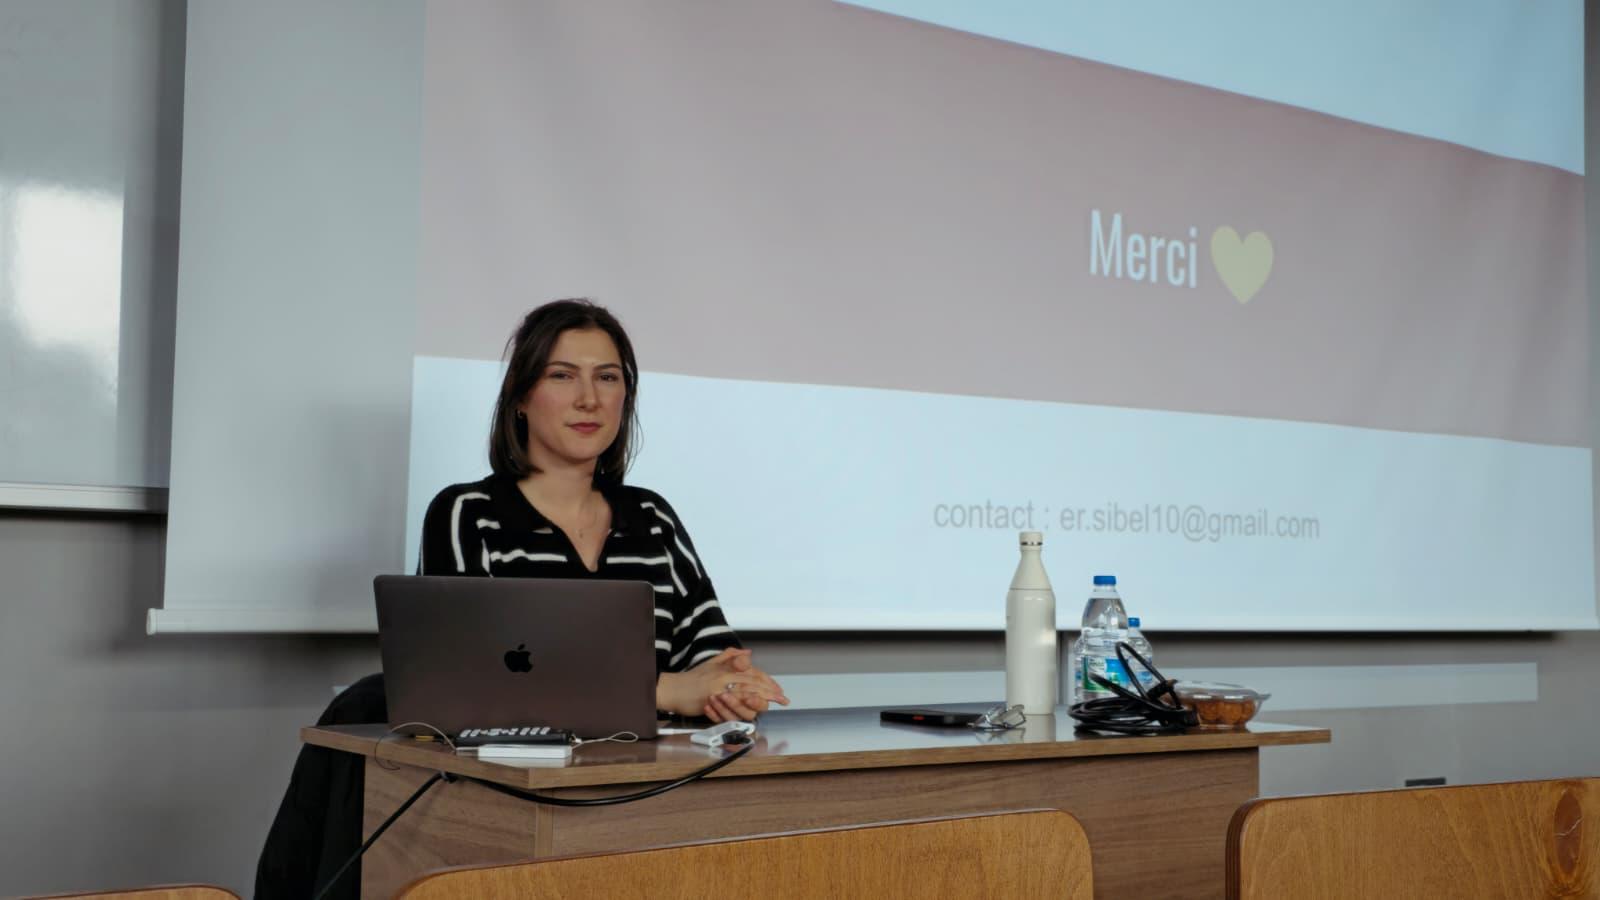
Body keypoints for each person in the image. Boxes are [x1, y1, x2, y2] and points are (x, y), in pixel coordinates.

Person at [255, 299, 787, 899]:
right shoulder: (467, 513)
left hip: (640, 789)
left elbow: (711, 650)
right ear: (520, 398)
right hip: (501, 797)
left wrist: (732, 685)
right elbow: (477, 691)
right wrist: (665, 691)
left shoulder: (653, 517)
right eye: (562, 375)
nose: (589, 399)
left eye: (607, 378)